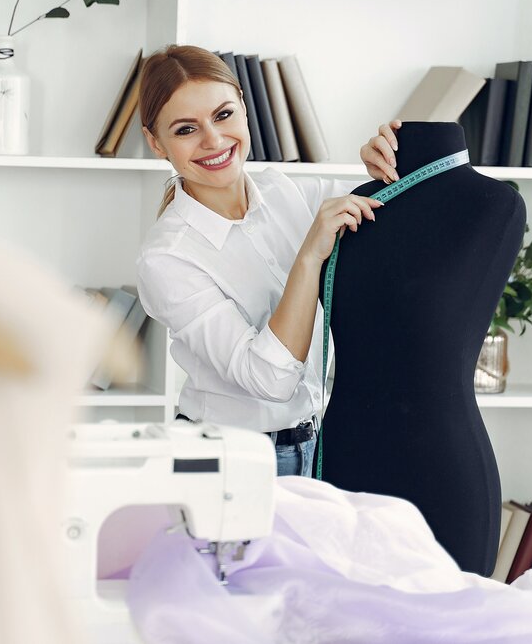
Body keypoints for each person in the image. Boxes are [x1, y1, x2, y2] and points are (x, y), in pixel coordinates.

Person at [135, 44, 400, 477]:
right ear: (156, 143)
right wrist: (309, 255)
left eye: (223, 115)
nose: (214, 141)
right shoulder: (166, 258)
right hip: (223, 464)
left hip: (317, 444)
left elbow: (398, 193)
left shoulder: (286, 193)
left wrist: (385, 158)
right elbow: (270, 379)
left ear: (243, 104)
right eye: (186, 129)